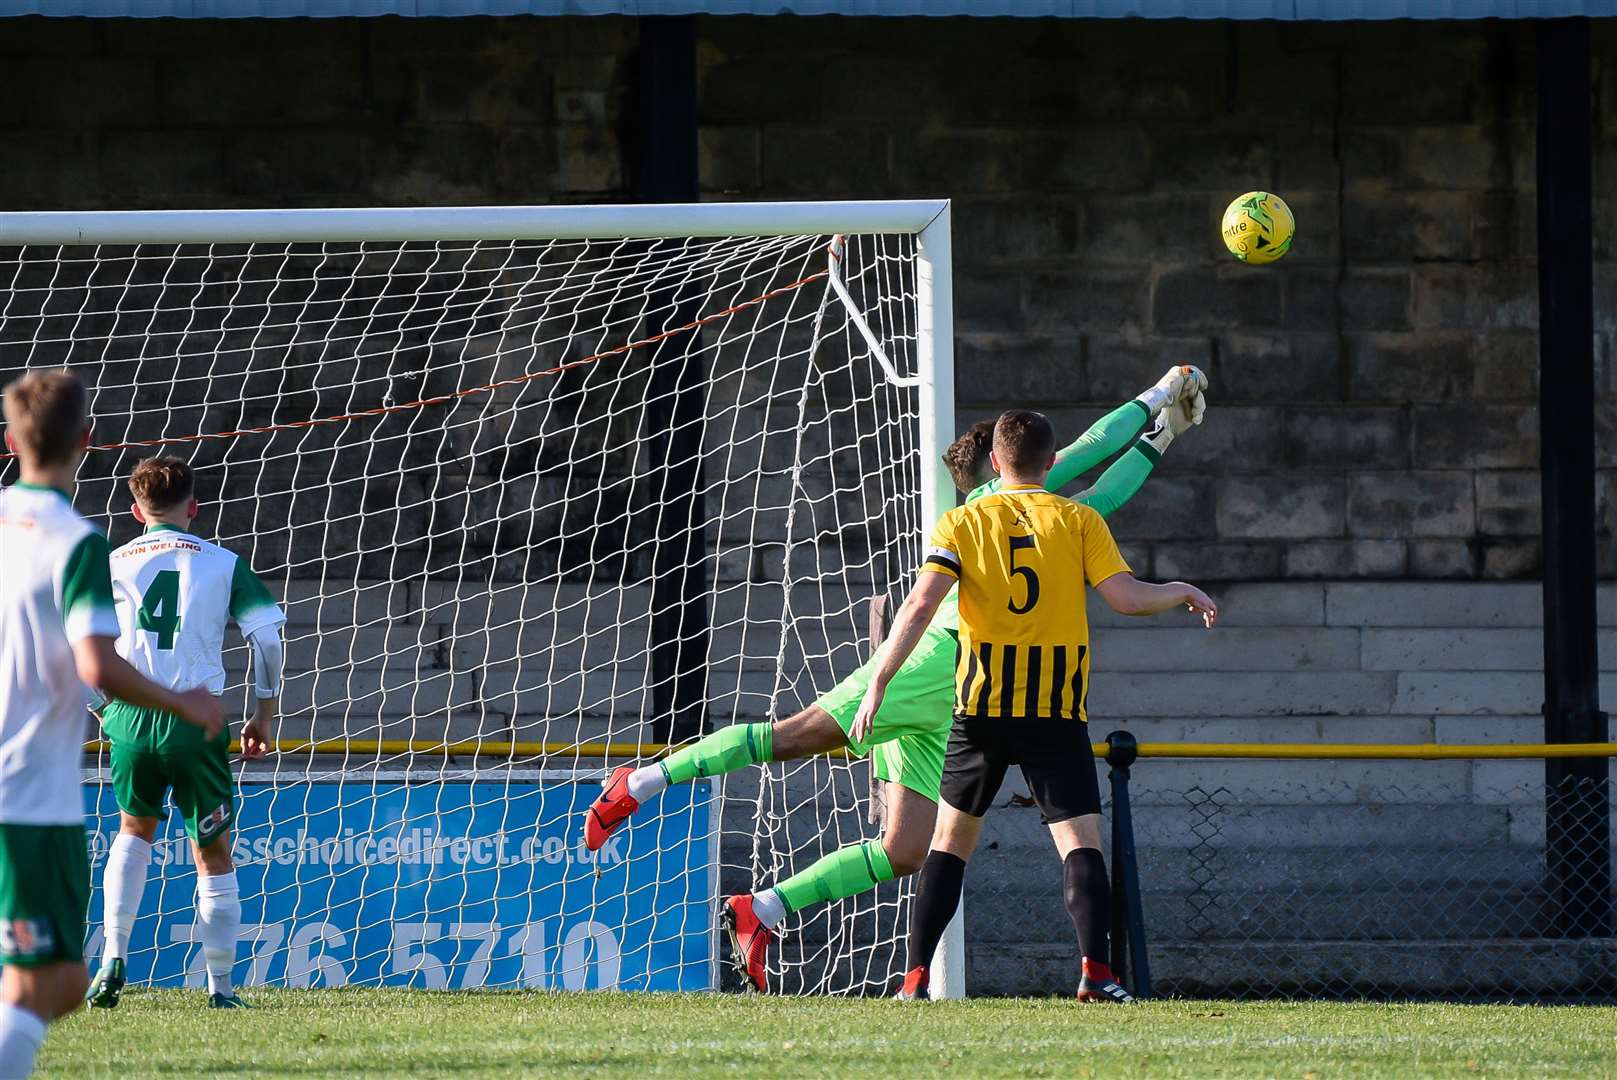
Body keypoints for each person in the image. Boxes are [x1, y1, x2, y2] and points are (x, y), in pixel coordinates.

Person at [583, 365, 1208, 992]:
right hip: (932, 668)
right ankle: (640, 781)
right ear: (1000, 465)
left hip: (967, 698)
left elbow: (1101, 484)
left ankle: (763, 910)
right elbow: (1097, 456)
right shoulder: (988, 508)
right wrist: (1158, 402)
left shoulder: (1028, 512)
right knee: (797, 735)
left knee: (906, 849)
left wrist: (1162, 430)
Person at [857, 408, 1217, 1004]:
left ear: (995, 464)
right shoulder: (1078, 520)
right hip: (1054, 713)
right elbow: (1125, 599)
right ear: (1052, 464)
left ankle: (914, 979)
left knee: (948, 844)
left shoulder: (963, 520)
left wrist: (879, 680)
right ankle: (1096, 975)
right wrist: (1180, 589)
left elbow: (919, 606)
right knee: (1080, 845)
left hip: (980, 711)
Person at [0, 372, 223, 1077]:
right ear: (87, 441)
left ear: (10, 441)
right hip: (30, 788)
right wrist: (184, 702)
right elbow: (98, 665)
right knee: (54, 983)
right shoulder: (76, 541)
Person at [85, 456, 286, 1011]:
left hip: (128, 715)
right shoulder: (223, 562)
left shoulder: (112, 562)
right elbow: (267, 639)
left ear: (135, 510)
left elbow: (79, 648)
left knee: (132, 831)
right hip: (196, 720)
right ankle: (220, 989)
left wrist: (97, 707)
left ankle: (112, 957)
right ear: (193, 507)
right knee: (213, 854)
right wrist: (263, 713)